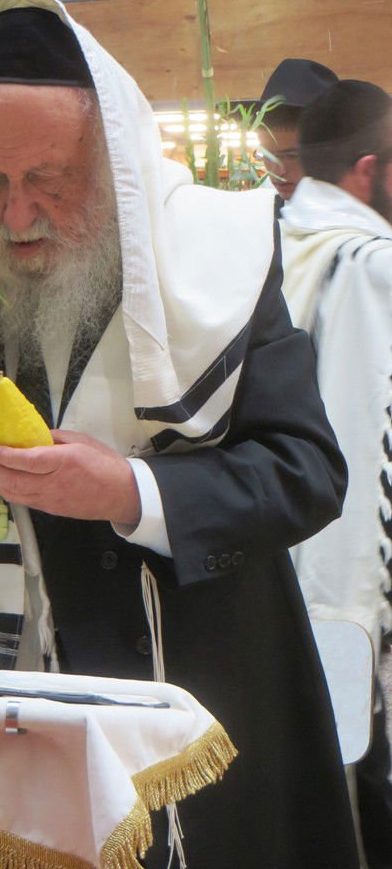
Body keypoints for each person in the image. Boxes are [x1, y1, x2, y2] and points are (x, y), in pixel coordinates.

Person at [0, 0, 358, 869]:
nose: (16, 218)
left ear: (112, 166)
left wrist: (134, 492)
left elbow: (305, 471)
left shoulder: (212, 254)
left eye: (49, 182)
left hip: (198, 687)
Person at [281, 78, 392, 869]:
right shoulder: (365, 263)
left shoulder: (280, 236)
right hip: (354, 570)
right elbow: (363, 433)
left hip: (287, 556)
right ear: (366, 168)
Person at [256, 58, 339, 201]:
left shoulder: (364, 214)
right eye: (267, 156)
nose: (277, 172)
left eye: (292, 155)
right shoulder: (261, 208)